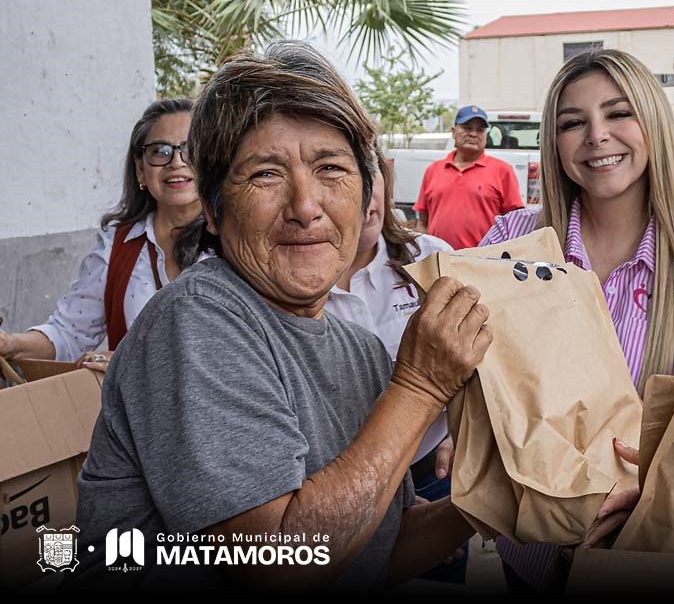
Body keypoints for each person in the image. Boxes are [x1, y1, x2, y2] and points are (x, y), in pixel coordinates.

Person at [68, 41, 490, 590]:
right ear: (215, 210)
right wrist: (421, 385)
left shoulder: (357, 347)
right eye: (266, 174)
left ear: (367, 197)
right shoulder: (196, 320)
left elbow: (372, 548)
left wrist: (482, 506)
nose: (306, 206)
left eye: (331, 169)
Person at [479, 48, 674, 590]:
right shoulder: (509, 243)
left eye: (618, 113)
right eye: (573, 122)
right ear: (554, 142)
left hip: (645, 550)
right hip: (531, 547)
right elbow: (475, 383)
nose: (596, 135)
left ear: (653, 123)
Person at [323, 146, 466, 583]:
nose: (365, 195)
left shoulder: (432, 257)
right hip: (333, 488)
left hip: (434, 476)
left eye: (371, 175)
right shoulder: (296, 273)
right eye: (340, 176)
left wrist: (467, 426)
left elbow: (484, 353)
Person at [0, 99, 203, 372]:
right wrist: (11, 344)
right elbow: (69, 333)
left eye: (190, 149)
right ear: (141, 169)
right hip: (139, 415)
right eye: (159, 151)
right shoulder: (117, 246)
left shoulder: (238, 242)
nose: (176, 162)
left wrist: (128, 365)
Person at [414, 105, 524, 249]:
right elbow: (422, 222)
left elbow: (515, 225)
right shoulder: (433, 170)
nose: (473, 134)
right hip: (439, 262)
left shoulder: (502, 171)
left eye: (480, 130)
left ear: (486, 135)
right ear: (454, 132)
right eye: (467, 127)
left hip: (482, 263)